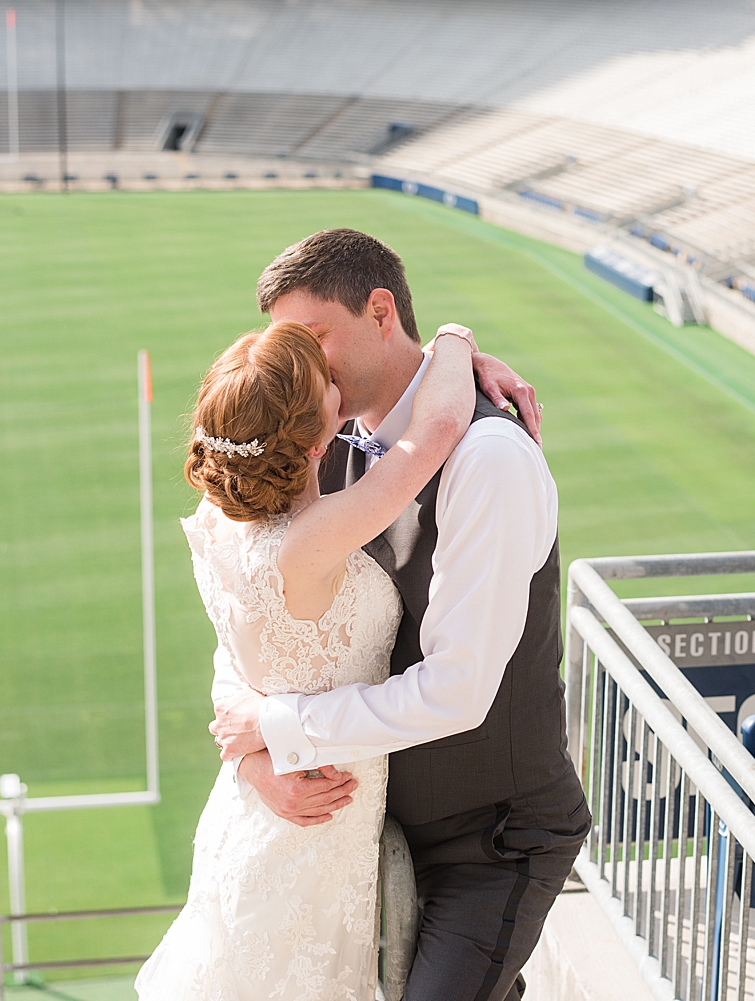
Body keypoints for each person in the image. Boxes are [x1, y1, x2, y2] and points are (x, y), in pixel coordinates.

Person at [207, 229, 590, 1001]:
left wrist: (281, 728)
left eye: (314, 339)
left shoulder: (490, 459)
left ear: (381, 312)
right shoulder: (321, 444)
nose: (304, 368)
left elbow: (457, 690)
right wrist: (255, 758)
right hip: (375, 829)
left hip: (493, 841)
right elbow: (248, 619)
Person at [135, 317, 518, 999]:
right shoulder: (312, 539)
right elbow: (433, 434)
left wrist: (256, 756)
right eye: (329, 387)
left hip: (264, 810)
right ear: (317, 442)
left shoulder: (218, 520)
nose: (339, 381)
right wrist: (454, 340)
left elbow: (242, 670)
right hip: (309, 838)